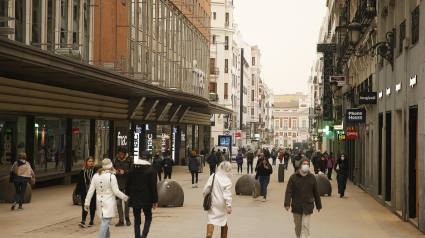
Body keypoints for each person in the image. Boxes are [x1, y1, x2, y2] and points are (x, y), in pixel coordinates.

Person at [84, 159, 129, 238]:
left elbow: (91, 191)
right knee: (105, 223)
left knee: (106, 223)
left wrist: (87, 202)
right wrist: (126, 198)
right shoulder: (112, 177)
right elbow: (116, 191)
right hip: (108, 202)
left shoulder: (96, 175)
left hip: (99, 201)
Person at [284, 157, 322, 238]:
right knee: (298, 226)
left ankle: (305, 237)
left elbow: (316, 192)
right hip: (296, 205)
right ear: (300, 165)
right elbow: (289, 191)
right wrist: (287, 203)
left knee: (305, 224)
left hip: (308, 205)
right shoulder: (293, 177)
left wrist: (318, 205)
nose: (306, 165)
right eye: (304, 164)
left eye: (307, 164)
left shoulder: (312, 178)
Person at [126, 150, 158, 238]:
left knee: (137, 220)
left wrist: (128, 195)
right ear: (149, 159)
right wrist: (155, 200)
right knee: (148, 217)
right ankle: (144, 235)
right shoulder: (151, 170)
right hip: (146, 198)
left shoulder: (133, 168)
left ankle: (137, 236)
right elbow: (153, 186)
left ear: (140, 157)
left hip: (134, 197)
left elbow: (128, 183)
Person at [203, 161, 232, 238]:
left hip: (213, 202)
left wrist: (205, 196)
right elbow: (227, 194)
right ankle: (223, 236)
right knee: (223, 221)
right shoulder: (227, 180)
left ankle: (209, 233)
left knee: (211, 219)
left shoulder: (213, 176)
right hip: (222, 204)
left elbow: (206, 189)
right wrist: (229, 205)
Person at [75, 156, 97, 228]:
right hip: (84, 190)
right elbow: (79, 182)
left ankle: (92, 221)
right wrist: (77, 192)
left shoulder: (95, 170)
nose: (91, 163)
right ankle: (83, 221)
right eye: (89, 161)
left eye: (92, 161)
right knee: (84, 205)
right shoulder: (82, 171)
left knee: (92, 206)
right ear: (86, 162)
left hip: (93, 190)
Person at [113, 147, 133, 227]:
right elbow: (112, 169)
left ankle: (127, 218)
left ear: (124, 154)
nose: (120, 155)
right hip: (117, 184)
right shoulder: (115, 160)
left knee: (126, 202)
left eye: (122, 154)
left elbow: (132, 171)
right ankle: (121, 220)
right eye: (119, 154)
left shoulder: (130, 159)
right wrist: (115, 171)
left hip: (126, 184)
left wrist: (124, 172)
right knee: (118, 203)